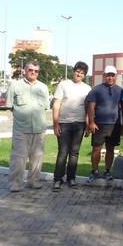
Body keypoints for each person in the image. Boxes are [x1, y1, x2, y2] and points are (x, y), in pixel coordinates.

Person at [6, 61, 50, 192]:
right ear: (24, 70)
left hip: (39, 128)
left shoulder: (43, 87)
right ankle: (15, 183)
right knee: (18, 158)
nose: (33, 73)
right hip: (21, 129)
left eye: (36, 71)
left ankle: (33, 181)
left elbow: (45, 107)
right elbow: (9, 106)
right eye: (30, 70)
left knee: (37, 158)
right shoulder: (14, 86)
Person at [51, 61, 91, 190]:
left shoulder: (87, 88)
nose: (79, 74)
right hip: (64, 124)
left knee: (74, 153)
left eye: (82, 73)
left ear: (84, 75)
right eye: (77, 71)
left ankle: (71, 178)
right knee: (63, 152)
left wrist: (88, 124)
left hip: (79, 124)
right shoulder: (63, 85)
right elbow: (56, 104)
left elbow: (88, 108)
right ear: (74, 71)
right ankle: (58, 179)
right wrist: (55, 124)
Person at [86, 65, 123, 183]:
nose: (110, 78)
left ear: (115, 76)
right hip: (99, 124)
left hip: (114, 125)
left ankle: (107, 171)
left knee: (110, 149)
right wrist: (91, 122)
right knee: (96, 148)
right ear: (104, 76)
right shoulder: (96, 89)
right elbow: (91, 107)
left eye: (112, 75)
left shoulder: (120, 90)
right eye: (108, 75)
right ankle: (94, 171)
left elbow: (122, 107)